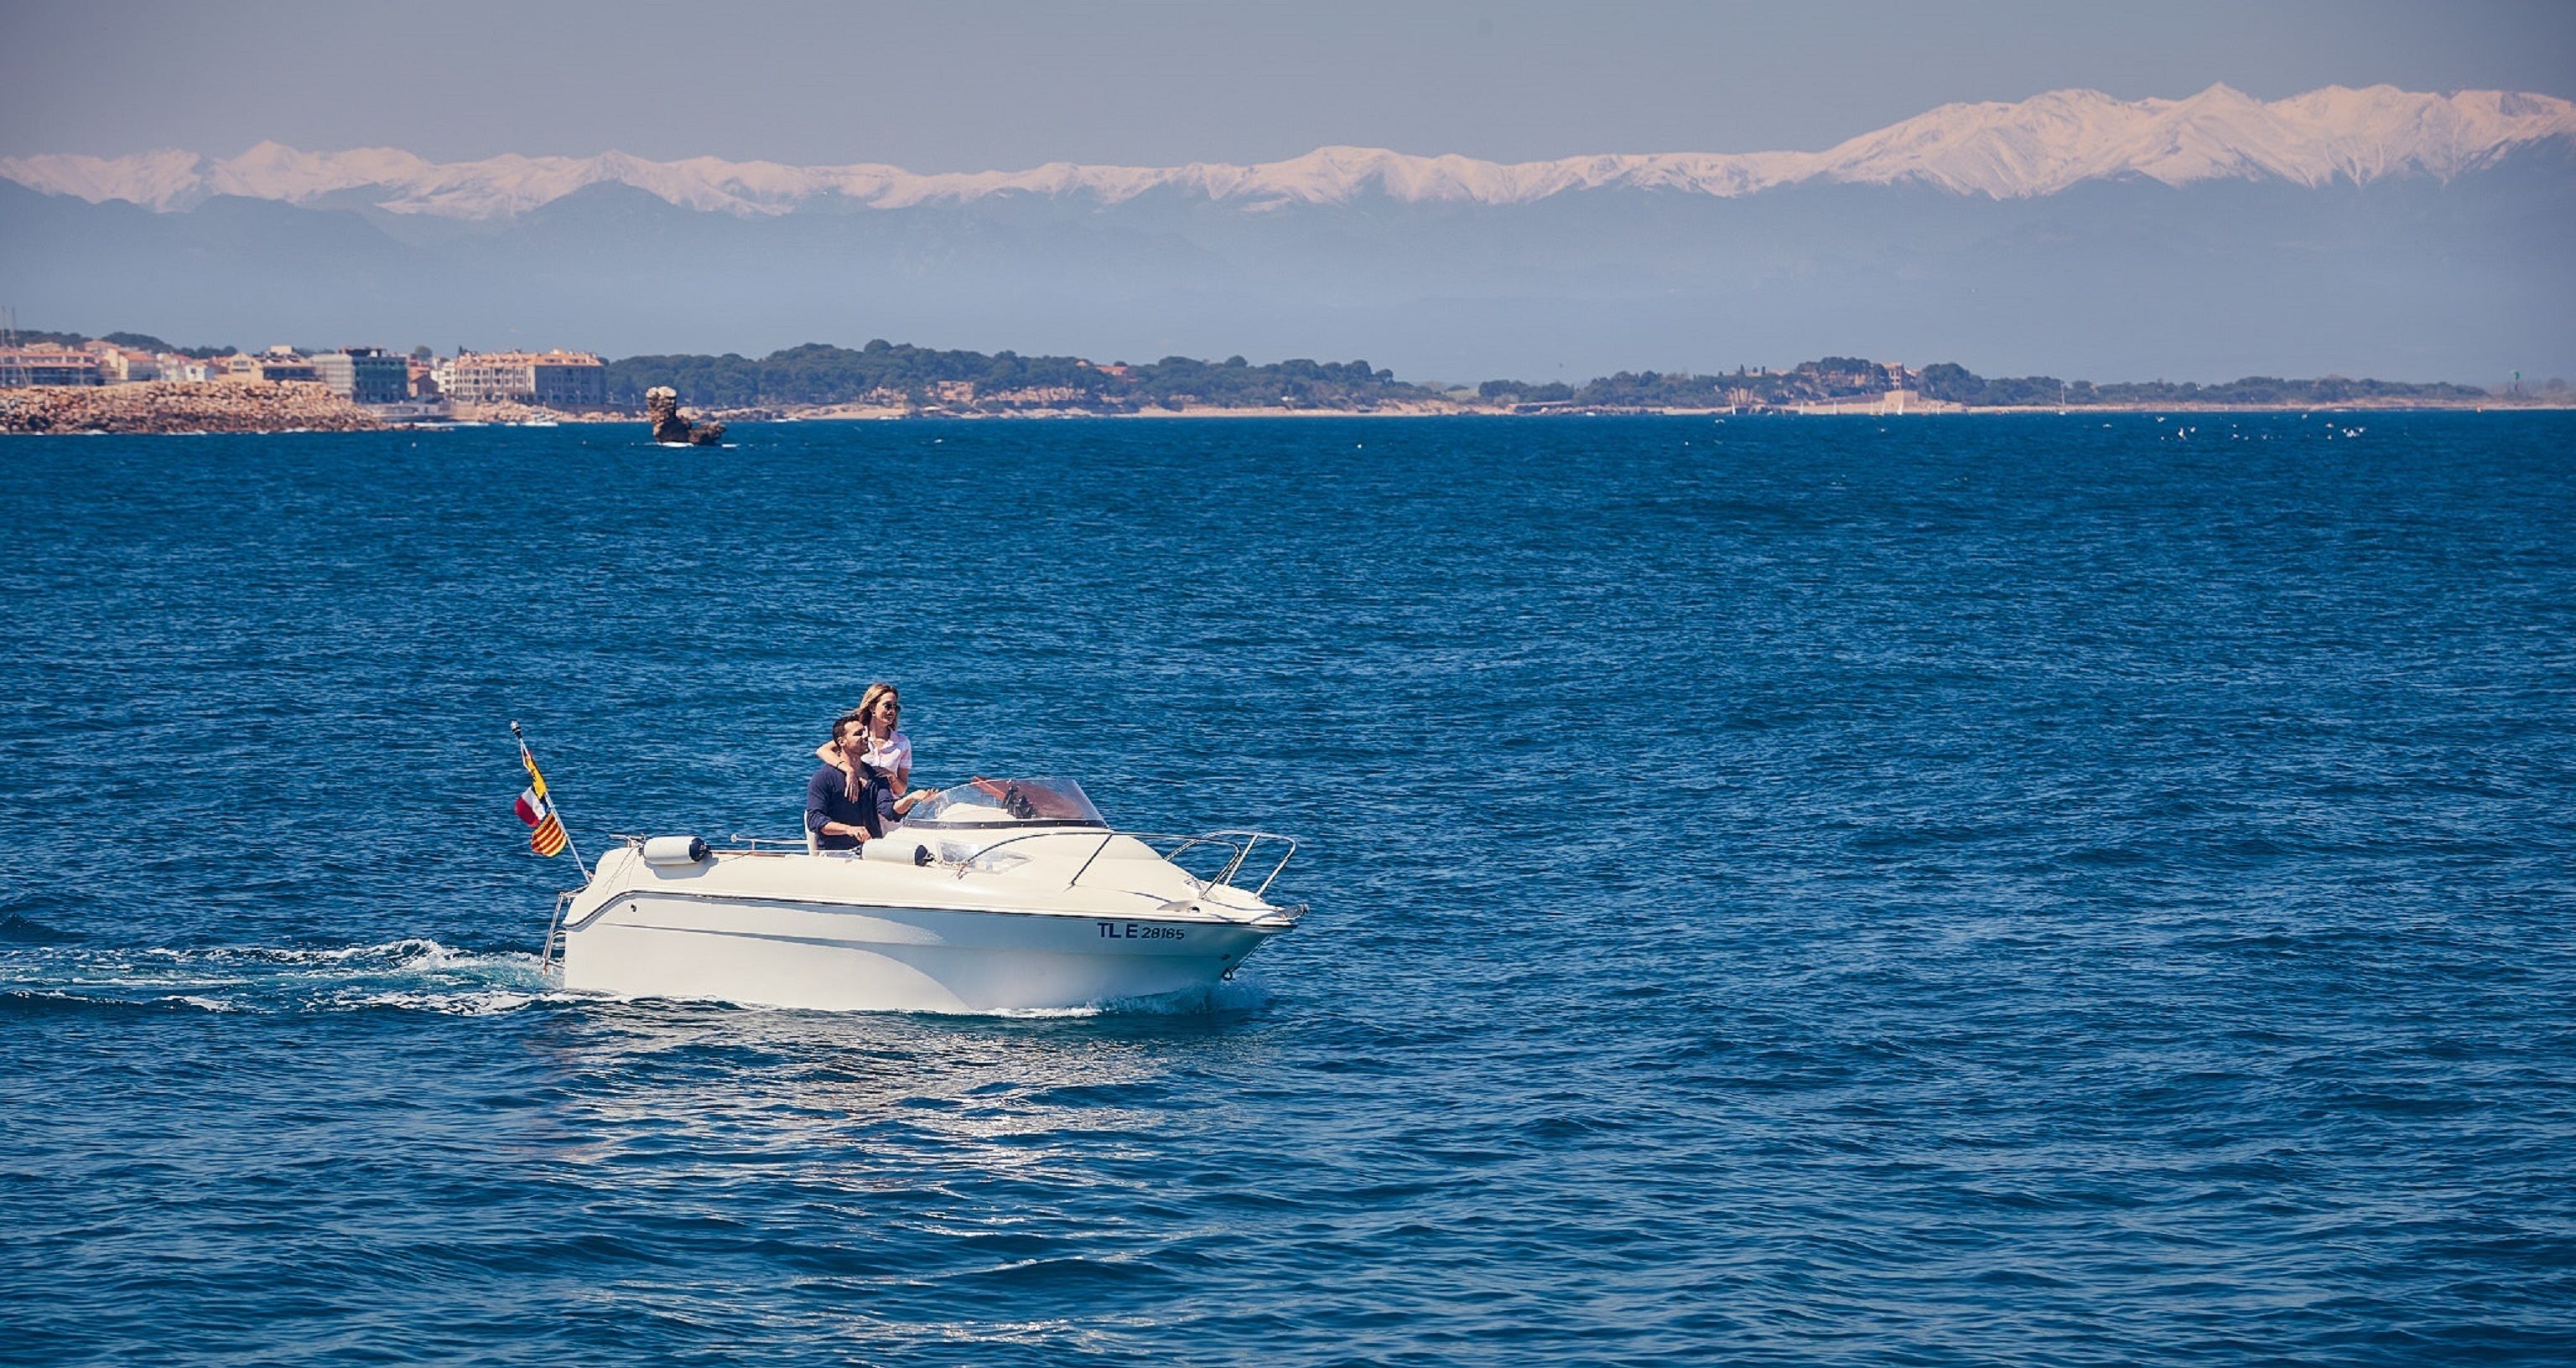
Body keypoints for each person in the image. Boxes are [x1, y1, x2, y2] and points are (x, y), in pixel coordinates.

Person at [816, 681, 936, 821]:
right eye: (887, 706)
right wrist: (849, 770)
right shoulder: (858, 737)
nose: (892, 711)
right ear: (872, 707)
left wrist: (891, 777)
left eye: (895, 707)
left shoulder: (902, 743)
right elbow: (823, 750)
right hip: (859, 811)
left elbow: (901, 790)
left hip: (889, 812)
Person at [806, 712, 889, 851]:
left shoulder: (876, 776)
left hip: (872, 851)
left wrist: (911, 798)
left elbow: (888, 810)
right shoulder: (823, 778)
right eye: (858, 733)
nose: (865, 736)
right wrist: (848, 829)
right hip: (837, 854)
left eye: (864, 732)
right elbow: (814, 819)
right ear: (842, 742)